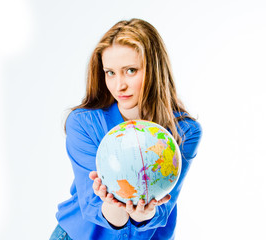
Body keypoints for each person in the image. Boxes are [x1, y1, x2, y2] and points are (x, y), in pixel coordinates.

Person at [49, 18, 202, 240]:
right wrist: (115, 207)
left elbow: (161, 209)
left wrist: (144, 215)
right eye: (110, 72)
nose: (119, 85)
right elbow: (94, 208)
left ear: (155, 70)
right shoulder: (83, 123)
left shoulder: (186, 131)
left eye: (130, 70)